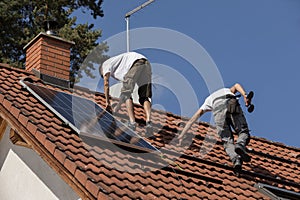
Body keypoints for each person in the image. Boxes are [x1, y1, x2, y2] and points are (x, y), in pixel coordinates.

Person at [178, 83, 253, 174]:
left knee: (227, 141)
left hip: (217, 112)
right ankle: (240, 144)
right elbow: (237, 85)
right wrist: (245, 95)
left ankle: (236, 160)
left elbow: (193, 119)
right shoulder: (227, 90)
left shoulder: (208, 100)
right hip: (230, 102)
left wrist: (182, 134)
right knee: (243, 131)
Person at [99, 51, 152, 133]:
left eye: (103, 75)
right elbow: (123, 95)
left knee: (127, 94)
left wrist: (107, 102)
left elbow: (106, 84)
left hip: (136, 63)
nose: (106, 77)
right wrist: (118, 106)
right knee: (144, 96)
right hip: (146, 63)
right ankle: (149, 122)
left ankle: (132, 122)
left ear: (102, 70)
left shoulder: (105, 65)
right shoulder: (120, 69)